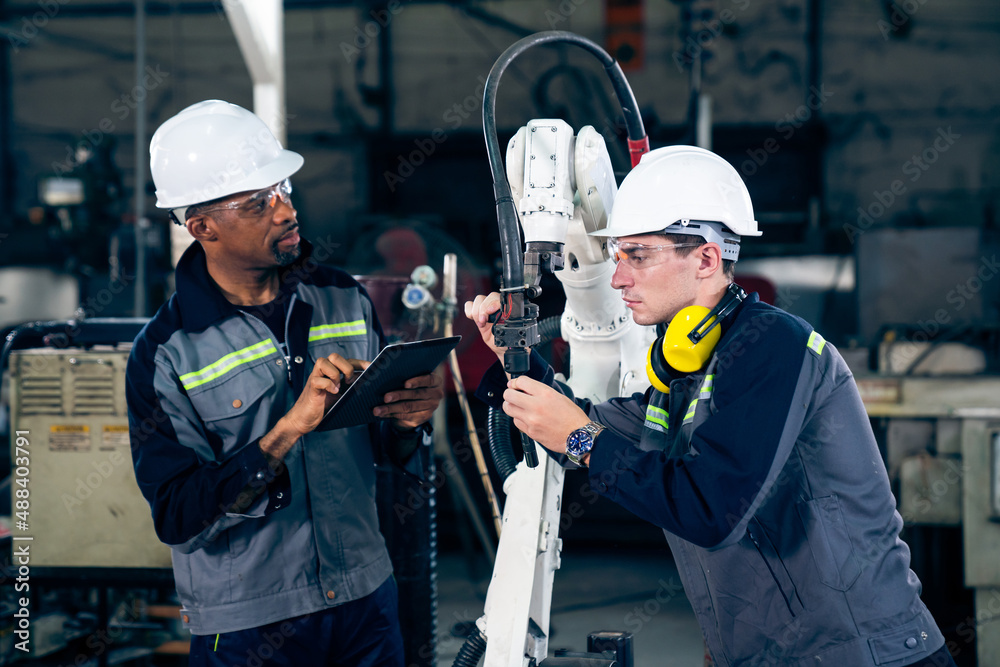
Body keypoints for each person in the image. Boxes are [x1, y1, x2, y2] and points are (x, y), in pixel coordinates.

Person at [465, 145, 956, 667]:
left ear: (706, 258)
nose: (618, 279)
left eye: (638, 255)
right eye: (618, 256)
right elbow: (578, 421)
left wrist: (582, 441)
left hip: (863, 656)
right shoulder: (683, 367)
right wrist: (512, 358)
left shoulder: (775, 347)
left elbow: (711, 509)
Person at [126, 100, 443, 666]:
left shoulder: (343, 297)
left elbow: (384, 453)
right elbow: (178, 516)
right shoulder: (167, 353)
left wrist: (407, 423)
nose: (285, 210)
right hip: (250, 625)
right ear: (202, 228)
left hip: (364, 599)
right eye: (257, 203)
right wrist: (288, 429)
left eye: (283, 188)